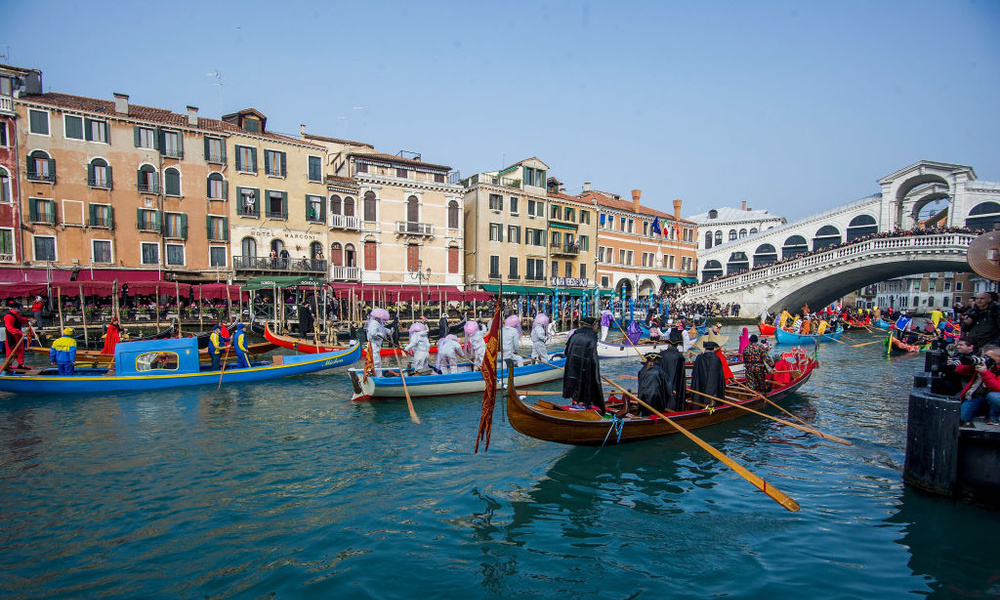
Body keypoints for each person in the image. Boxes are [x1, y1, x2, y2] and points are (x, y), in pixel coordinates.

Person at [562, 315, 605, 413]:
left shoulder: (575, 334)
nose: (597, 327)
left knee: (574, 381)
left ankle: (575, 402)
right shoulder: (592, 337)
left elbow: (567, 351)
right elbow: (593, 356)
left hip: (572, 364)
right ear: (592, 326)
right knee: (589, 382)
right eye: (596, 325)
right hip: (586, 365)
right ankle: (586, 402)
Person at [690, 340, 727, 407]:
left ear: (705, 348)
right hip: (713, 387)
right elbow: (720, 375)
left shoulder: (699, 357)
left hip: (700, 385)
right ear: (713, 349)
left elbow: (694, 373)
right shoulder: (716, 358)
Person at [658, 328, 687, 411]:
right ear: (677, 345)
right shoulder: (680, 357)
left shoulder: (662, 354)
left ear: (669, 344)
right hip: (675, 385)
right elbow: (681, 377)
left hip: (663, 385)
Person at [3, 303, 31, 370]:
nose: (21, 309)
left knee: (20, 350)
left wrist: (28, 320)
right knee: (11, 351)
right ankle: (8, 366)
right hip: (11, 336)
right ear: (14, 308)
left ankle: (21, 364)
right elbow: (9, 328)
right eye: (19, 308)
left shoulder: (16, 315)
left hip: (18, 336)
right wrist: (20, 332)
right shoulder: (9, 316)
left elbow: (21, 320)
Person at [366, 310, 390, 375]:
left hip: (376, 345)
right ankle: (376, 375)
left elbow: (382, 329)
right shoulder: (373, 324)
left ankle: (378, 374)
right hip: (373, 345)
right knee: (376, 361)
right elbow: (373, 334)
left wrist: (389, 331)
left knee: (378, 361)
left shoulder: (378, 324)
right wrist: (382, 334)